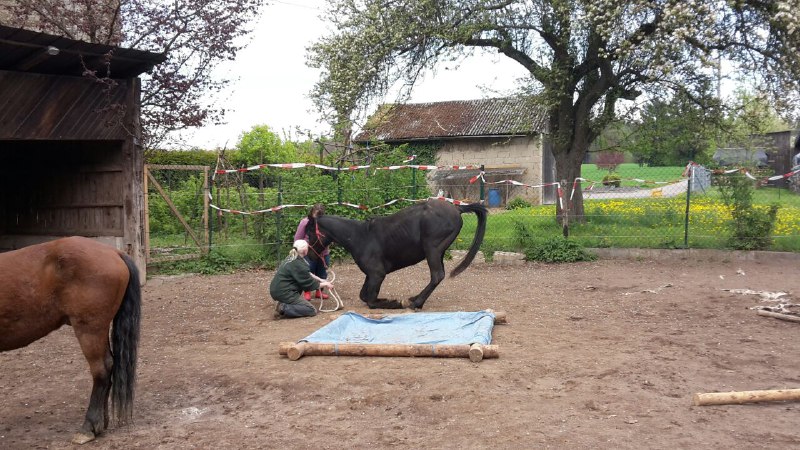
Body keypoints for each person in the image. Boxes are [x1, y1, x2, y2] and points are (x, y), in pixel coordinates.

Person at [269, 239, 333, 319]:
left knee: (299, 293)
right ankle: (283, 307)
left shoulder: (293, 257)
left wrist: (321, 279)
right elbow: (311, 284)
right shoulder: (299, 264)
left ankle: (284, 303)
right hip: (284, 292)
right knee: (311, 310)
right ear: (305, 251)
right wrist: (326, 284)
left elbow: (308, 273)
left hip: (278, 289)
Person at [294, 203, 331, 300]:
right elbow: (298, 237)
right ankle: (307, 292)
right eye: (315, 215)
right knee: (309, 271)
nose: (316, 218)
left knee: (322, 273)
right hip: (309, 252)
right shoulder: (305, 222)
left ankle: (319, 292)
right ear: (312, 212)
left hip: (323, 253)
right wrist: (299, 251)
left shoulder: (326, 224)